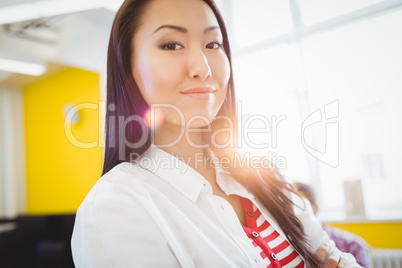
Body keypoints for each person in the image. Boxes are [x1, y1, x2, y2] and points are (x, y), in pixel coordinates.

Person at [71, 0, 362, 267]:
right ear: (127, 65)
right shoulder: (116, 207)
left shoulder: (264, 174)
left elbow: (335, 258)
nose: (203, 67)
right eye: (172, 44)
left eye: (213, 44)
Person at [294, 182, 372, 267]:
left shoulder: (354, 246)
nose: (294, 214)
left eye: (300, 207)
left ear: (316, 208)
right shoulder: (291, 248)